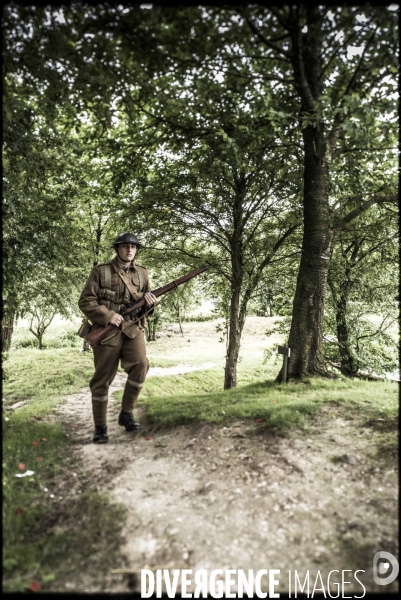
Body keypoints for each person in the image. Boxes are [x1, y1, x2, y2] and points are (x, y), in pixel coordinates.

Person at [78, 232, 157, 444]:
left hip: (133, 329)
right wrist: (108, 315)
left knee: (141, 365)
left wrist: (151, 303)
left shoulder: (142, 273)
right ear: (117, 249)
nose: (129, 250)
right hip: (106, 332)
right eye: (125, 246)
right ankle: (100, 427)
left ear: (136, 250)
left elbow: (147, 303)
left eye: (133, 247)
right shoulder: (101, 271)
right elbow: (86, 301)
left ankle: (126, 413)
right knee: (102, 379)